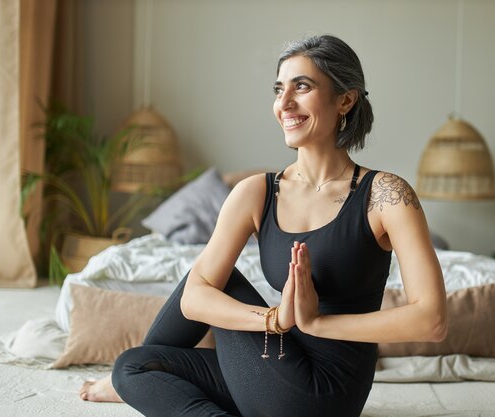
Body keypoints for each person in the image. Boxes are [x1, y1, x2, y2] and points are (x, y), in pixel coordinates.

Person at [80, 34, 447, 417]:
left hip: (325, 394)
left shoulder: (386, 194)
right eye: (278, 90)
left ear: (346, 99)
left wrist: (317, 323)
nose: (284, 103)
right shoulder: (256, 192)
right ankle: (138, 384)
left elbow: (432, 319)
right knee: (135, 365)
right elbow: (193, 298)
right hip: (275, 362)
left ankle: (136, 388)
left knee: (158, 349)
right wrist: (276, 319)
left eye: (301, 87)